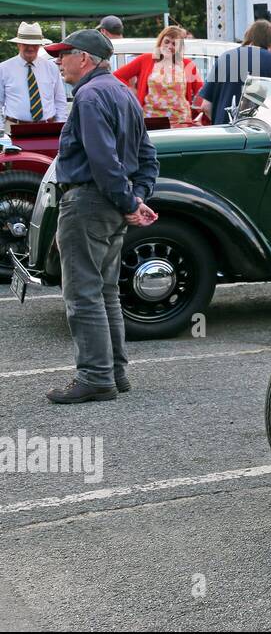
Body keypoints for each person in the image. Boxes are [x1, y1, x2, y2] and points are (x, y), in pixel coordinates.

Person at [41, 29, 158, 404]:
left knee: (83, 292)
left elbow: (103, 160)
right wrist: (135, 199)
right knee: (105, 290)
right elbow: (147, 158)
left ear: (85, 59)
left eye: (64, 54)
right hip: (109, 205)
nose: (59, 61)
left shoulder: (89, 96)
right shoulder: (123, 92)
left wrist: (129, 202)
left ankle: (95, 376)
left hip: (89, 203)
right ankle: (114, 372)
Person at [198, 19, 271, 125]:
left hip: (224, 135)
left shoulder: (224, 58)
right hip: (260, 136)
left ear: (248, 37)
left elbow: (206, 106)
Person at [113, 26, 203, 128]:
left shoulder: (187, 64)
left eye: (174, 44)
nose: (169, 46)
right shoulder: (145, 59)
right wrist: (131, 92)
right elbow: (117, 76)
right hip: (150, 120)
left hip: (181, 122)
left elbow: (202, 92)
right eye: (167, 41)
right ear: (160, 42)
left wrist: (200, 115)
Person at [1, 21, 67, 127]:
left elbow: (60, 101)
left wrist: (60, 127)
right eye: (26, 44)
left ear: (40, 45)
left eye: (34, 44)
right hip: (13, 128)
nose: (30, 48)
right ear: (18, 44)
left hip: (47, 127)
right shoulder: (3, 68)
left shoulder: (51, 68)